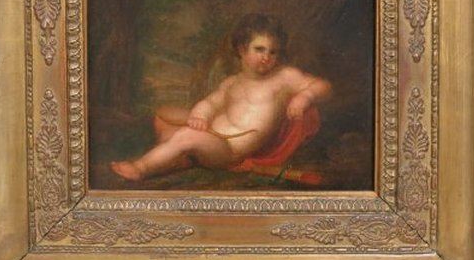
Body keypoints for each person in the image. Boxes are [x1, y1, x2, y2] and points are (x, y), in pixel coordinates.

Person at [110, 13, 332, 181]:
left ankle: (141, 168)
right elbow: (210, 103)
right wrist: (200, 115)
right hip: (212, 136)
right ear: (242, 50)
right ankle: (179, 157)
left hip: (229, 150)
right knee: (167, 121)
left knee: (186, 136)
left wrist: (305, 96)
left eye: (272, 52)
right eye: (260, 49)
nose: (267, 57)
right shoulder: (232, 83)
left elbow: (323, 86)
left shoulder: (283, 77)